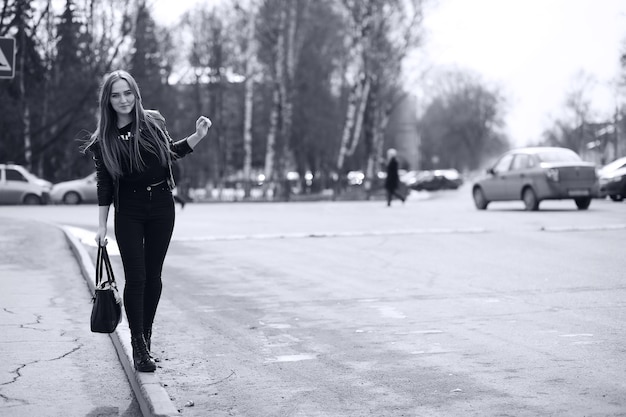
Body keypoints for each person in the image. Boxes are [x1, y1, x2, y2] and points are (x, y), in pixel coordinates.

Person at [83, 70, 212, 372]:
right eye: (116, 95)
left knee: (153, 276)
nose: (123, 100)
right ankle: (137, 344)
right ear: (108, 100)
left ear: (135, 94)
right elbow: (104, 183)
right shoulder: (104, 138)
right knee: (136, 277)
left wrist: (197, 137)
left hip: (162, 206)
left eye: (127, 93)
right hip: (128, 209)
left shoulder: (153, 121)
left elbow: (170, 154)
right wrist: (102, 226)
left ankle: (145, 336)